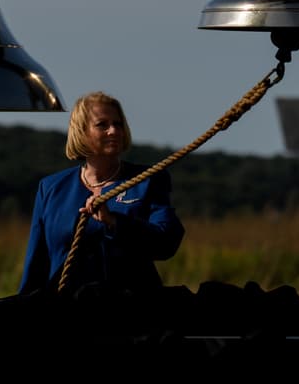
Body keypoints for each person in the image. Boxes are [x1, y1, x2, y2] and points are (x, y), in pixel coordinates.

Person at [18, 91, 185, 297]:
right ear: (81, 131)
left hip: (133, 314)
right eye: (102, 125)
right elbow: (37, 262)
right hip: (65, 315)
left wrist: (115, 222)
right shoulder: (51, 187)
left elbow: (166, 242)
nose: (113, 131)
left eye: (118, 124)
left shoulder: (148, 180)